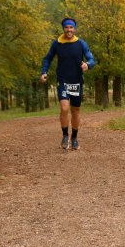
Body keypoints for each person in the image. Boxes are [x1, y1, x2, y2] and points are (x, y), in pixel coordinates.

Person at [40, 18, 95, 150]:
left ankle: (74, 138)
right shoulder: (57, 44)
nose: (69, 30)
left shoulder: (81, 43)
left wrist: (87, 64)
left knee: (75, 110)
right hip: (63, 80)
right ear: (63, 29)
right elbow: (47, 58)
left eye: (71, 27)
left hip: (76, 81)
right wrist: (44, 72)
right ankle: (65, 135)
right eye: (66, 27)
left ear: (74, 29)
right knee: (64, 108)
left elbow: (92, 59)